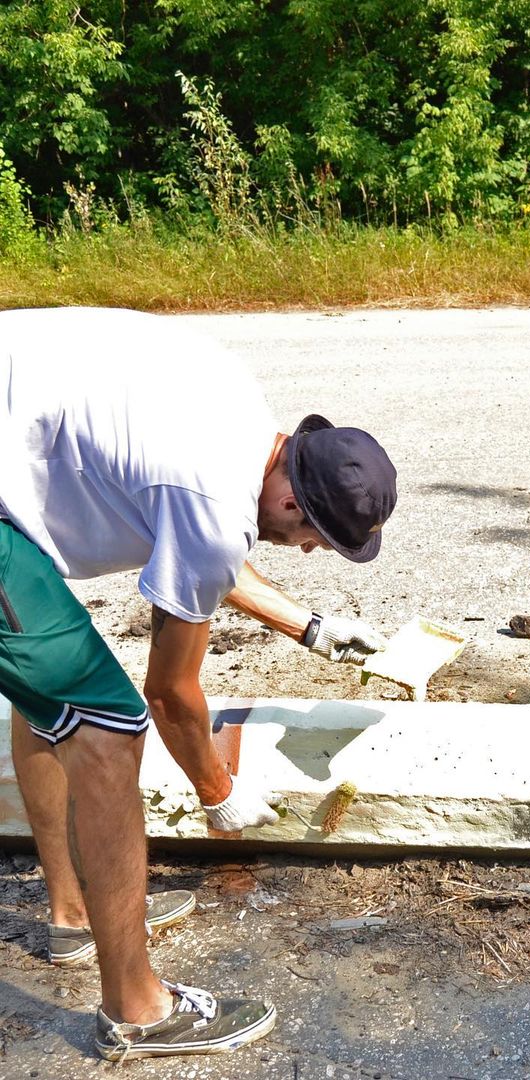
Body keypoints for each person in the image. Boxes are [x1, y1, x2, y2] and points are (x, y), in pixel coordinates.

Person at [0, 307, 397, 1061]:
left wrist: (309, 627)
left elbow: (205, 542)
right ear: (290, 500)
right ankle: (138, 1012)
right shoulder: (217, 501)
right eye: (318, 535)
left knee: (51, 685)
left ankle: (72, 914)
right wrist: (217, 792)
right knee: (106, 724)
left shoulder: (240, 419)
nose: (310, 551)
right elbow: (170, 695)